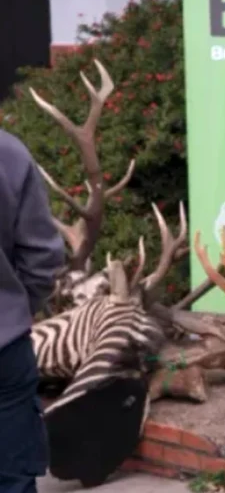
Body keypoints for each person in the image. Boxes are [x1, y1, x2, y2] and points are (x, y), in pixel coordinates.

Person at [0, 127, 67, 493]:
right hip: (4, 345)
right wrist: (19, 306)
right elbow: (42, 255)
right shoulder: (8, 152)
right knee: (12, 479)